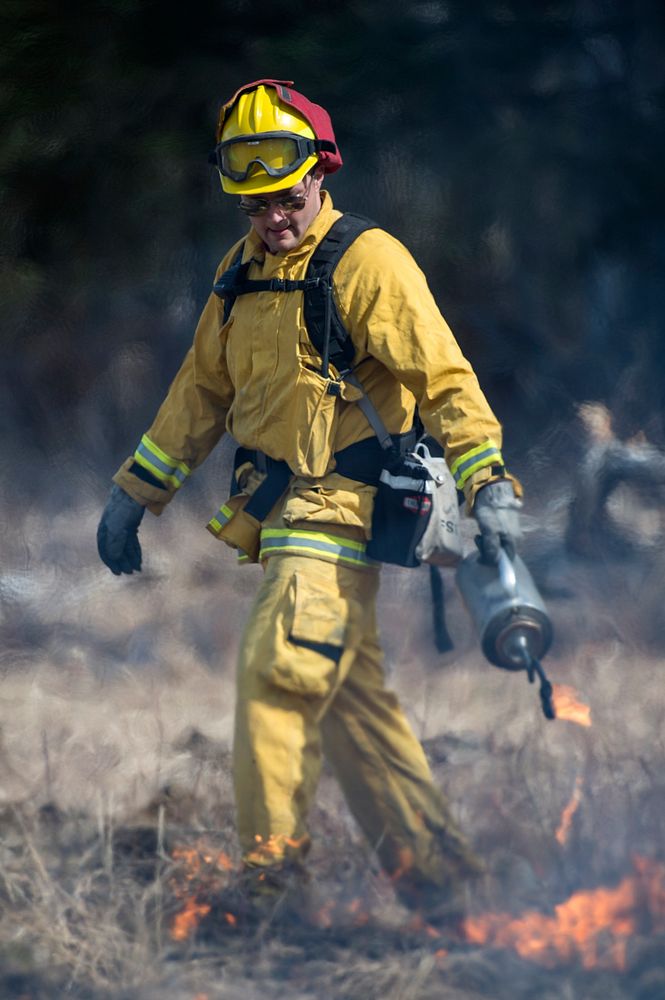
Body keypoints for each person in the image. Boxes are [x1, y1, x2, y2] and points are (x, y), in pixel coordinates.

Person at [97, 79, 522, 927]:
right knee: (350, 707)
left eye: (287, 199)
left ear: (320, 174)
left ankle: (273, 891)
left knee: (278, 679)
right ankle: (446, 885)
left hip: (341, 511)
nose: (274, 218)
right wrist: (134, 494)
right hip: (284, 511)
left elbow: (443, 380)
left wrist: (488, 480)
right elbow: (200, 393)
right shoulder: (239, 271)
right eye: (255, 204)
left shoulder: (367, 261)